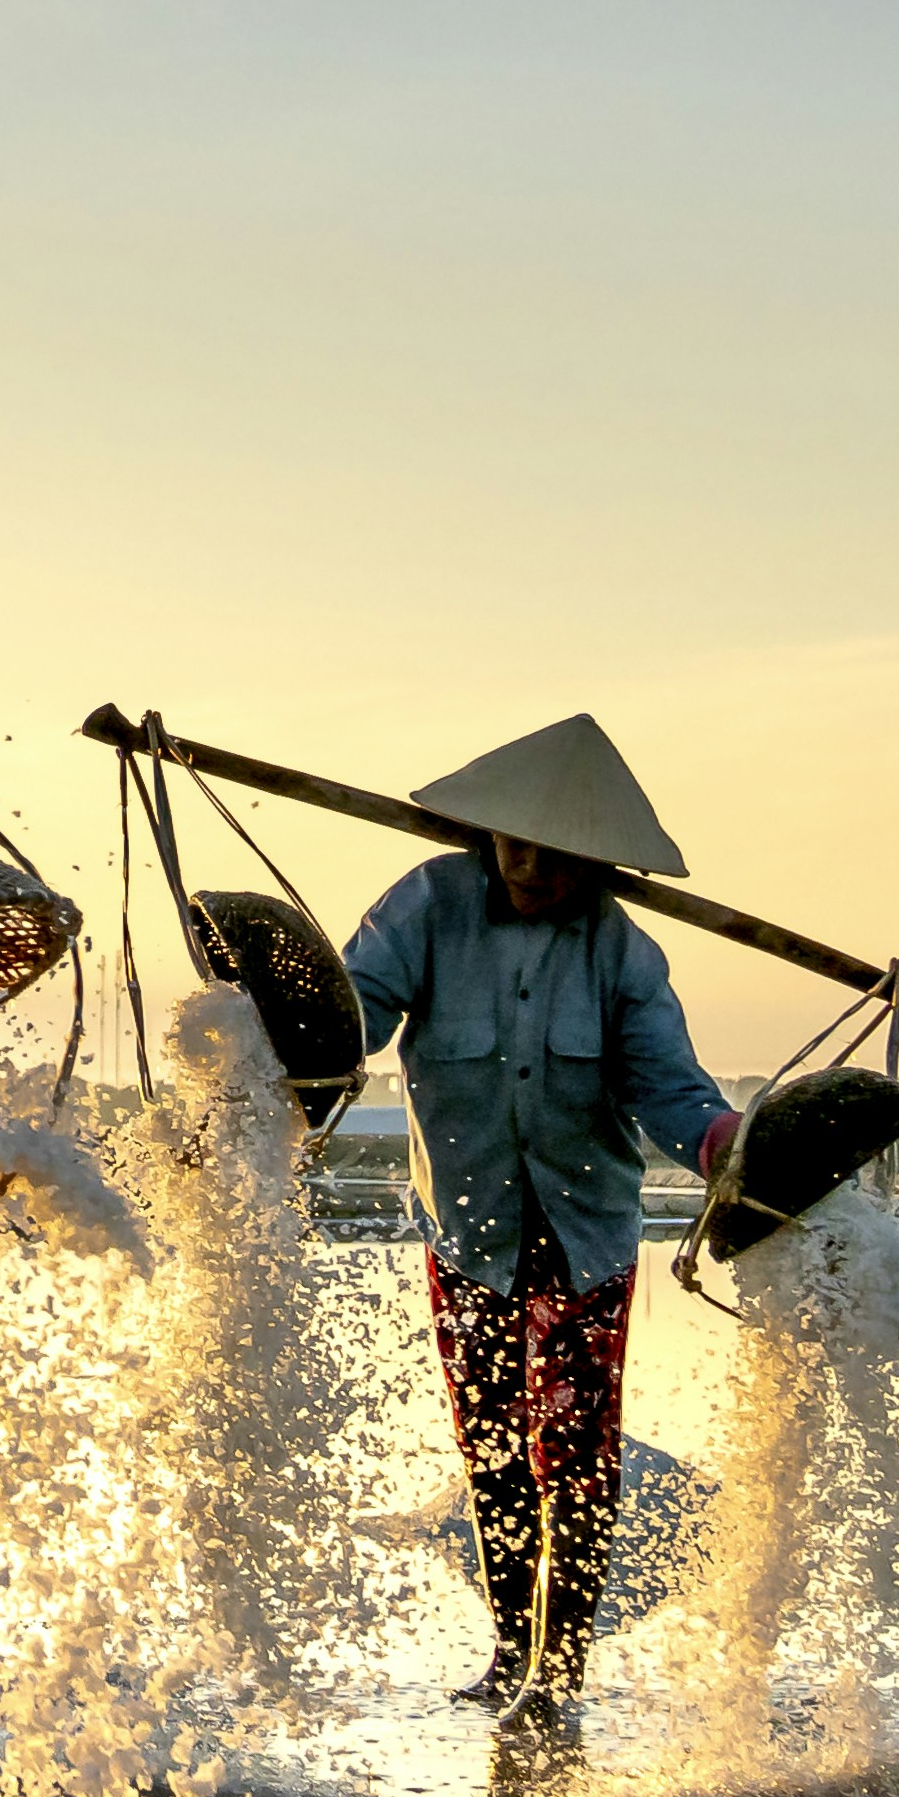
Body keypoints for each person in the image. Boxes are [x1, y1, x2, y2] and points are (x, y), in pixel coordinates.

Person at [336, 717, 741, 1716]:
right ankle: (508, 1652)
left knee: (575, 1455)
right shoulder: (423, 908)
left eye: (557, 854)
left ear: (593, 859)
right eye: (515, 845)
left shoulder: (621, 953)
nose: (533, 867)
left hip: (583, 1234)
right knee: (489, 1450)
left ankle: (558, 1674)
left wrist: (722, 1141)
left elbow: (670, 1092)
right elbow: (353, 1013)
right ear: (484, 835)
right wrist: (279, 1018)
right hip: (467, 1232)